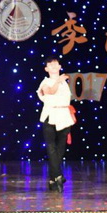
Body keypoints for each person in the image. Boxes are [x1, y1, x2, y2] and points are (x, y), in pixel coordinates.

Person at [36, 56, 75, 193]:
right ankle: (58, 176)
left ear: (59, 67)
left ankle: (53, 179)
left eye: (55, 64)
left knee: (60, 149)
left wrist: (60, 81)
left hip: (64, 116)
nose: (53, 66)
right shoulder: (45, 82)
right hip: (50, 116)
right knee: (51, 147)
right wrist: (58, 80)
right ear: (46, 69)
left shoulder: (64, 83)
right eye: (50, 65)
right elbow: (50, 91)